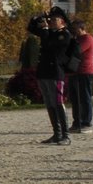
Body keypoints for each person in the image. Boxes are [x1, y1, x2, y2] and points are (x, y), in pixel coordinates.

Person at [27, 9, 73, 144]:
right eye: (50, 19)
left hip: (55, 73)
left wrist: (46, 29)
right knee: (50, 104)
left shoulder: (64, 35)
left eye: (54, 20)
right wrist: (39, 16)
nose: (51, 22)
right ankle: (56, 134)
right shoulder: (49, 33)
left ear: (62, 22)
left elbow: (49, 45)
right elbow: (31, 28)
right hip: (44, 72)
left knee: (58, 103)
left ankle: (66, 135)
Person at [68, 20, 93, 133]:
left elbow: (76, 51)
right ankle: (77, 122)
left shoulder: (87, 39)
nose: (73, 31)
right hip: (75, 72)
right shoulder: (77, 39)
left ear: (81, 28)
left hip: (85, 71)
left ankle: (86, 122)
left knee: (85, 98)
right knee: (75, 98)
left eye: (75, 29)